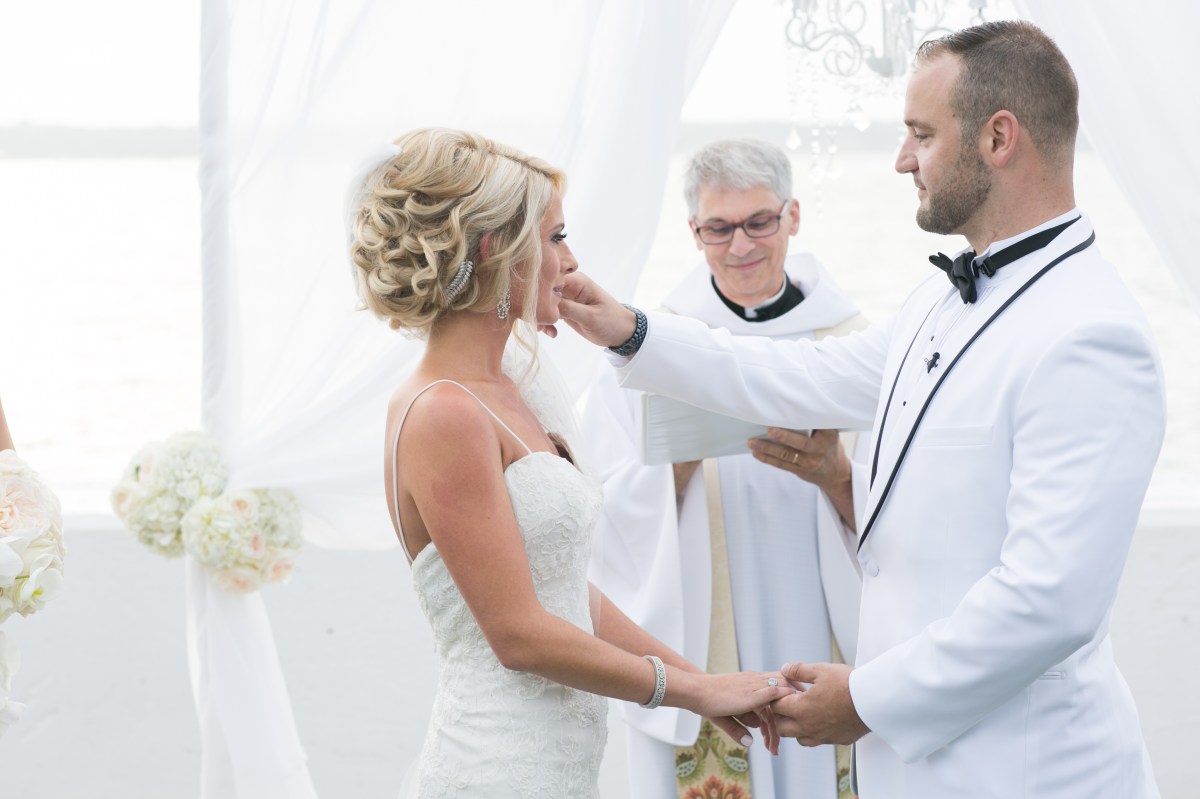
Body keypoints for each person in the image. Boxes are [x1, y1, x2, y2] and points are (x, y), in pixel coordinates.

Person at [558, 21, 1164, 799]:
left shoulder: (1090, 333)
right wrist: (631, 330)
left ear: (999, 138)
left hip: (1023, 771)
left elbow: (1049, 601)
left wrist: (867, 698)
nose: (902, 158)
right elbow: (797, 372)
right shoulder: (937, 301)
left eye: (921, 134)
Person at [348, 128, 792, 798]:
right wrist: (691, 690)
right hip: (495, 768)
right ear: (499, 251)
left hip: (560, 767)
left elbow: (564, 591)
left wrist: (702, 685)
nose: (571, 259)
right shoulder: (444, 411)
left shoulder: (514, 382)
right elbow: (520, 635)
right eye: (555, 238)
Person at [581, 138, 866, 799]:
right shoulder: (649, 348)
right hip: (703, 626)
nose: (740, 245)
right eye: (719, 228)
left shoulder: (850, 344)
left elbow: (908, 504)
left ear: (793, 216)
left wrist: (836, 475)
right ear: (694, 231)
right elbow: (598, 512)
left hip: (825, 615)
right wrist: (674, 468)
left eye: (759, 222)